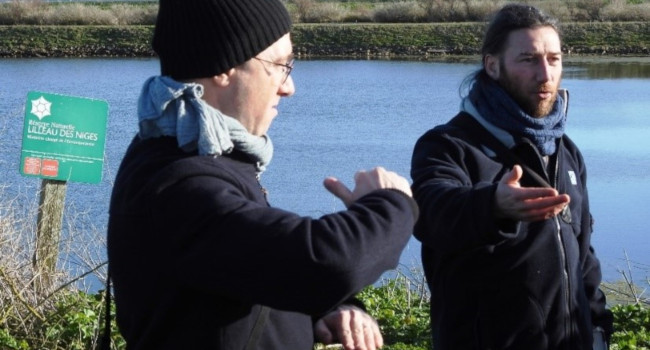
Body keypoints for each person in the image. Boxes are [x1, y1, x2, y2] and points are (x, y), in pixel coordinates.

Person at [106, 0, 418, 349]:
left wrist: (327, 309)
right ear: (223, 66)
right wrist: (390, 205)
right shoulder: (180, 182)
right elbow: (325, 263)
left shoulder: (198, 156)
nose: (289, 87)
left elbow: (251, 272)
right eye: (280, 65)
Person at [410, 4, 613, 349]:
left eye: (554, 59)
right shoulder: (448, 145)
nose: (545, 74)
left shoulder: (566, 151)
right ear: (492, 65)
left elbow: (582, 255)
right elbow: (430, 210)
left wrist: (597, 329)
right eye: (529, 59)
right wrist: (492, 204)